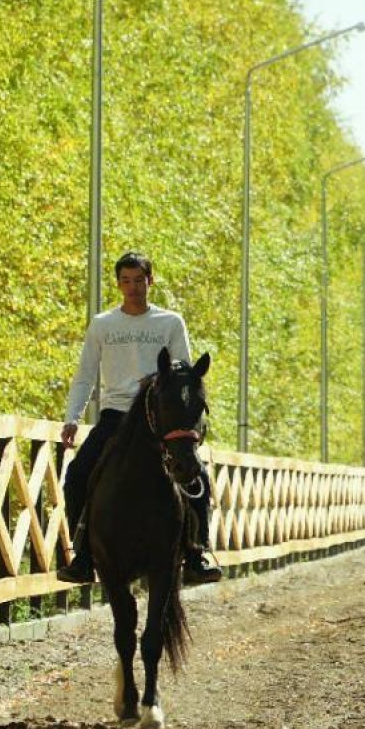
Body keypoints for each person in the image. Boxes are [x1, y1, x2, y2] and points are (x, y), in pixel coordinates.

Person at [55, 251, 221, 587]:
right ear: (118, 284)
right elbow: (85, 374)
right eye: (126, 281)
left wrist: (168, 399)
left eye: (139, 280)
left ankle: (195, 553)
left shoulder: (170, 322)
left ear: (150, 281)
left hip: (159, 416)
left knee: (196, 477)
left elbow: (183, 372)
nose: (133, 287)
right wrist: (72, 417)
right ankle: (83, 557)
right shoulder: (103, 324)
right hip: (117, 415)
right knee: (76, 476)